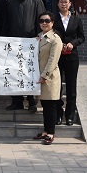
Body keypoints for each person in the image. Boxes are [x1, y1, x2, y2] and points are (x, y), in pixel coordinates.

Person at [5, 0, 45, 112]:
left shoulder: (37, 1)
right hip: (14, 44)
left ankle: (32, 101)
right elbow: (6, 23)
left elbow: (42, 22)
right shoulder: (10, 3)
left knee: (30, 73)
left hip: (31, 45)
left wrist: (39, 36)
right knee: (14, 72)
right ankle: (16, 101)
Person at [32, 11, 63, 145]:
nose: (44, 23)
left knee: (51, 106)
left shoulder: (55, 39)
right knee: (44, 105)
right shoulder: (39, 37)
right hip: (40, 77)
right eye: (41, 21)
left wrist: (44, 75)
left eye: (47, 21)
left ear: (52, 23)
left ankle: (51, 133)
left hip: (50, 78)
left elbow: (53, 60)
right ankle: (46, 131)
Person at [54, 0, 85, 126]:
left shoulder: (76, 19)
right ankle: (58, 114)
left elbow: (81, 37)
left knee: (71, 87)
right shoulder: (53, 19)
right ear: (58, 4)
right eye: (61, 2)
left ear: (70, 4)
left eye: (66, 2)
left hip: (72, 56)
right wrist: (59, 44)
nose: (63, 4)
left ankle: (70, 116)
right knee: (57, 87)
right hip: (57, 56)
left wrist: (73, 43)